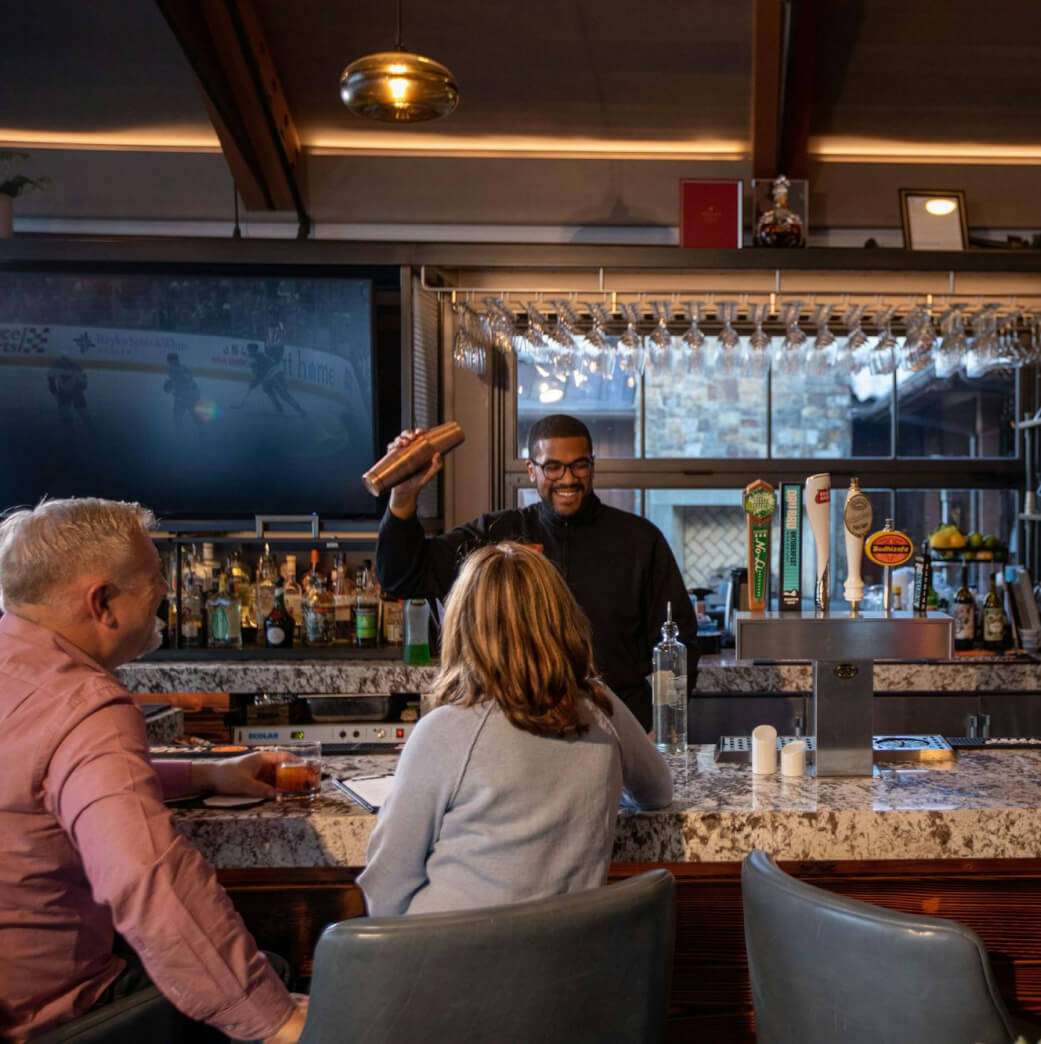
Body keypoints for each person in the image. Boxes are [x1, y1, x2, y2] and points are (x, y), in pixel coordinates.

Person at [0, 498, 307, 1042]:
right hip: (42, 1015)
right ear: (103, 603)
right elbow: (147, 875)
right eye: (153, 579)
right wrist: (276, 1021)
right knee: (271, 978)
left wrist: (203, 775)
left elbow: (45, 780)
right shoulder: (84, 703)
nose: (167, 591)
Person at [358, 541, 672, 916]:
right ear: (562, 619)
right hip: (568, 967)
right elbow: (657, 791)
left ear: (465, 626)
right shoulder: (601, 708)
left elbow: (385, 890)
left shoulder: (445, 731)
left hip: (447, 961)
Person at [376, 413, 699, 729]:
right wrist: (404, 496)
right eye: (553, 467)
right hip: (520, 729)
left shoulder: (640, 540)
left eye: (579, 465)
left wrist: (663, 724)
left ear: (592, 465)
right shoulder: (497, 535)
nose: (568, 479)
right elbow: (402, 576)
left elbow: (680, 642)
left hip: (622, 724)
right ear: (531, 470)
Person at [163, 351, 203, 434]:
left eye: (170, 361)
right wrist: (170, 385)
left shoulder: (181, 369)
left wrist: (170, 383)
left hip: (189, 397)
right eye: (169, 361)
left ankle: (202, 433)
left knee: (193, 417)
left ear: (174, 360)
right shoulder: (173, 370)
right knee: (178, 418)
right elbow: (170, 386)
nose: (169, 363)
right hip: (183, 397)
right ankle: (181, 435)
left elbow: (186, 379)